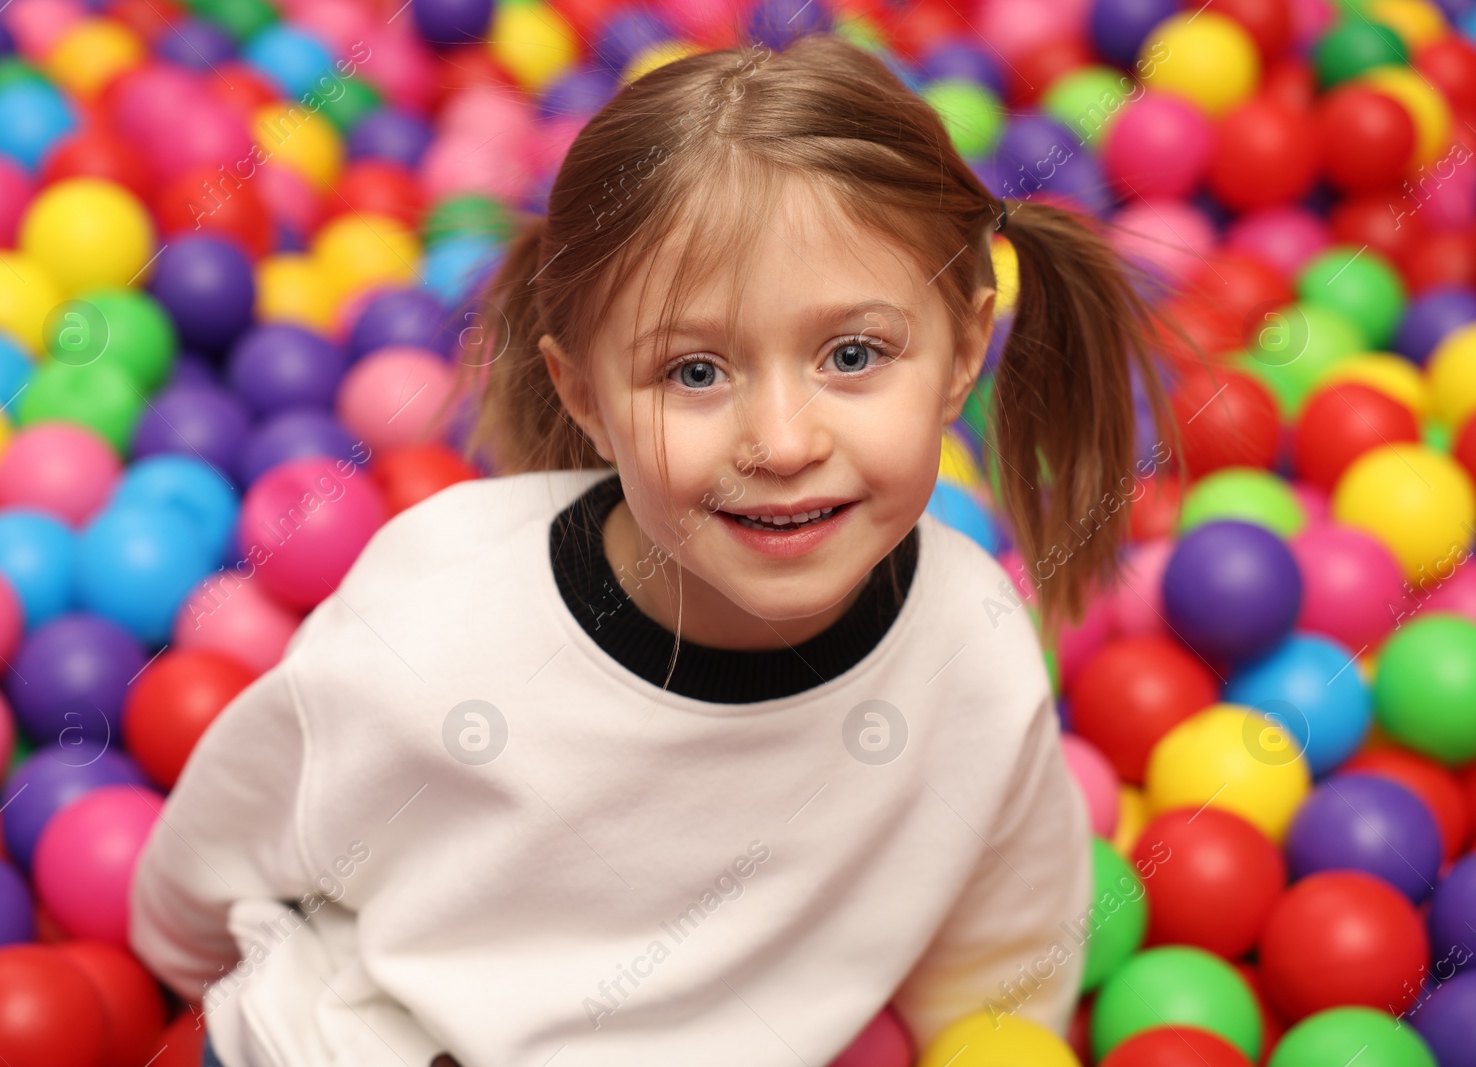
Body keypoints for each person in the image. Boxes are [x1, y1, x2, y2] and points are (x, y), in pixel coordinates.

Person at [130, 30, 1171, 1067]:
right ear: (583, 393)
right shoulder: (441, 611)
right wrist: (175, 981)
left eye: (852, 354)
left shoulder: (973, 649)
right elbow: (222, 852)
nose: (781, 442)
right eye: (695, 373)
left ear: (960, 356)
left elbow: (1001, 958)